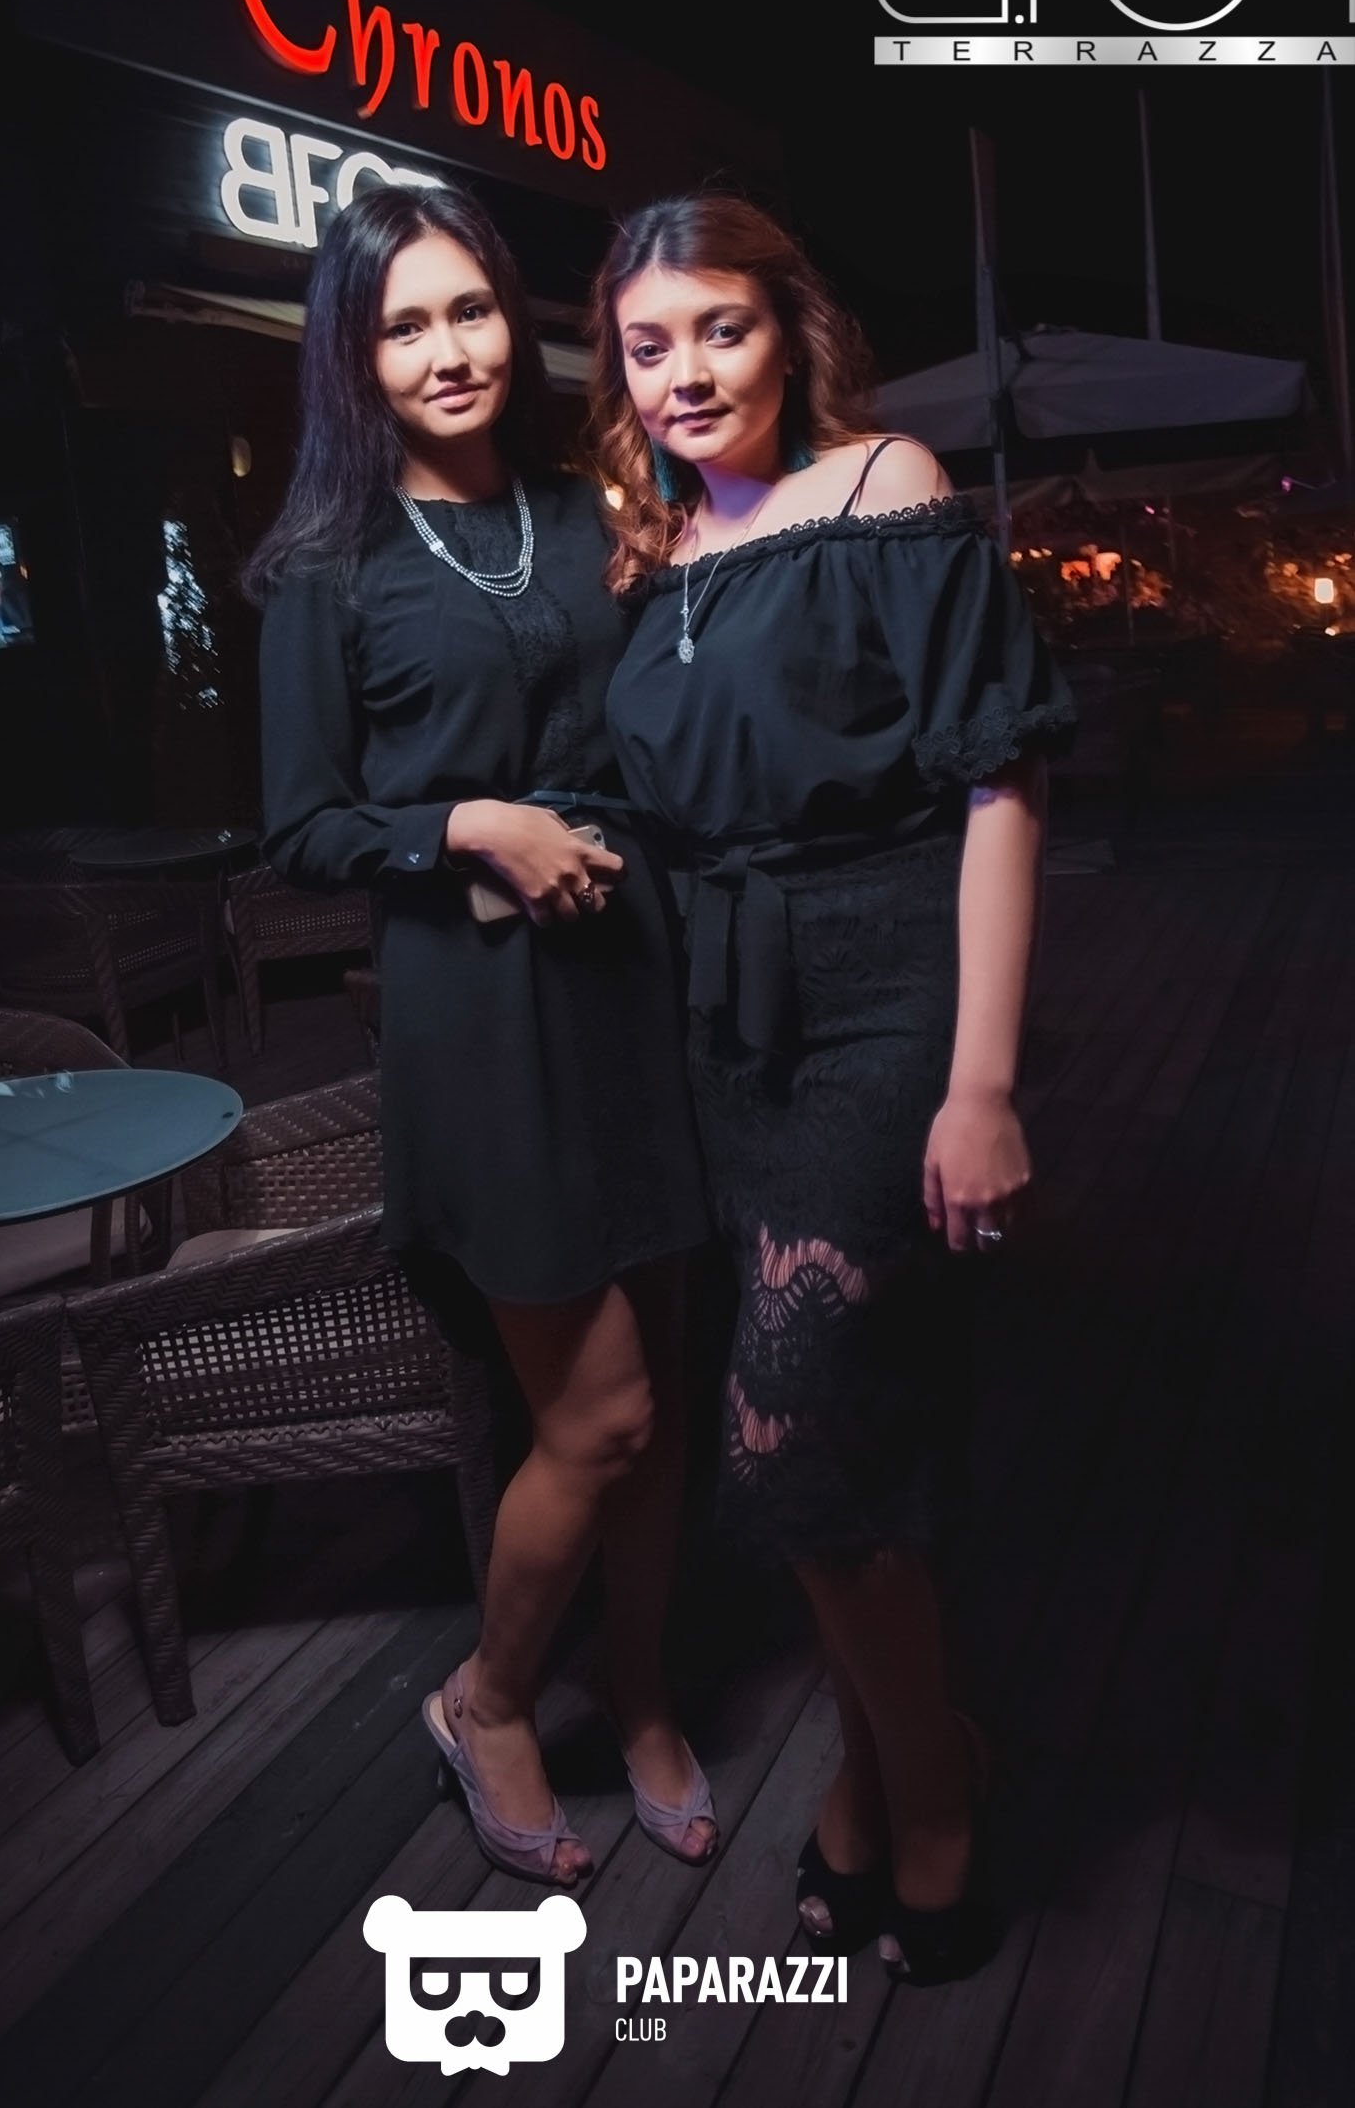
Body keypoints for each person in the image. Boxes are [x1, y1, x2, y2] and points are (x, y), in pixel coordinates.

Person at [589, 195, 1075, 1982]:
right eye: (649, 345)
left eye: (720, 329)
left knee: (785, 1424)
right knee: (843, 1439)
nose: (687, 373)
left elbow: (1001, 782)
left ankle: (931, 1793)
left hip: (886, 998)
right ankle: (877, 1774)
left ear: (788, 332)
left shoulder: (887, 486)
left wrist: (982, 1082)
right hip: (725, 1027)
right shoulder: (648, 551)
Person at [247, 182, 717, 1888]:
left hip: (633, 988)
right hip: (483, 1023)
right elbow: (304, 828)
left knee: (669, 1400)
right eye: (404, 325)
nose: (448, 350)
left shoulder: (588, 512)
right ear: (353, 357)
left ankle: (644, 1691)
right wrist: (468, 824)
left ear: (514, 320)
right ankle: (492, 1695)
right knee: (598, 1414)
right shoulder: (326, 570)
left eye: (469, 310)